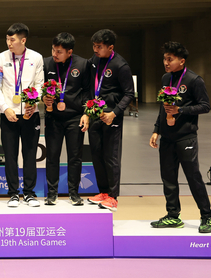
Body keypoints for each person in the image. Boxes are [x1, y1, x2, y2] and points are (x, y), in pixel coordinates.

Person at [149, 41, 211, 233]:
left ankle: (207, 217)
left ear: (182, 61)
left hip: (186, 137)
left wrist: (181, 110)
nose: (166, 63)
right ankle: (172, 215)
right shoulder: (165, 79)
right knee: (168, 178)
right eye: (164, 59)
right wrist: (156, 130)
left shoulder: (195, 80)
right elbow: (163, 108)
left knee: (193, 177)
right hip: (167, 138)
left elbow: (205, 106)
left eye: (170, 59)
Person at [0, 23, 43, 207]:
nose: (9, 43)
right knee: (10, 155)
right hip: (9, 115)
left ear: (23, 40)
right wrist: (5, 108)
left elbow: (39, 84)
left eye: (12, 39)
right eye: (7, 39)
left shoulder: (36, 58)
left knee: (30, 155)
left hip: (30, 115)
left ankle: (29, 193)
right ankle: (13, 193)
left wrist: (33, 102)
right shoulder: (0, 58)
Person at [86, 29, 134, 212]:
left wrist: (114, 112)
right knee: (97, 155)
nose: (95, 49)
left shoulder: (121, 65)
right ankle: (103, 192)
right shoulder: (94, 61)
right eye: (94, 46)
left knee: (111, 157)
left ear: (110, 47)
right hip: (95, 114)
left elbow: (129, 93)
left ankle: (113, 197)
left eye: (99, 47)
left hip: (111, 117)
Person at [42, 33, 91, 206]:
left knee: (75, 157)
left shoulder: (83, 64)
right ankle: (52, 193)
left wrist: (86, 113)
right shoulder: (47, 63)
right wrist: (43, 99)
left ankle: (74, 193)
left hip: (75, 117)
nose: (55, 54)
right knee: (52, 156)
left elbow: (87, 91)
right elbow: (40, 88)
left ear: (69, 52)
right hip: (53, 117)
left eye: (59, 51)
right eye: (53, 50)